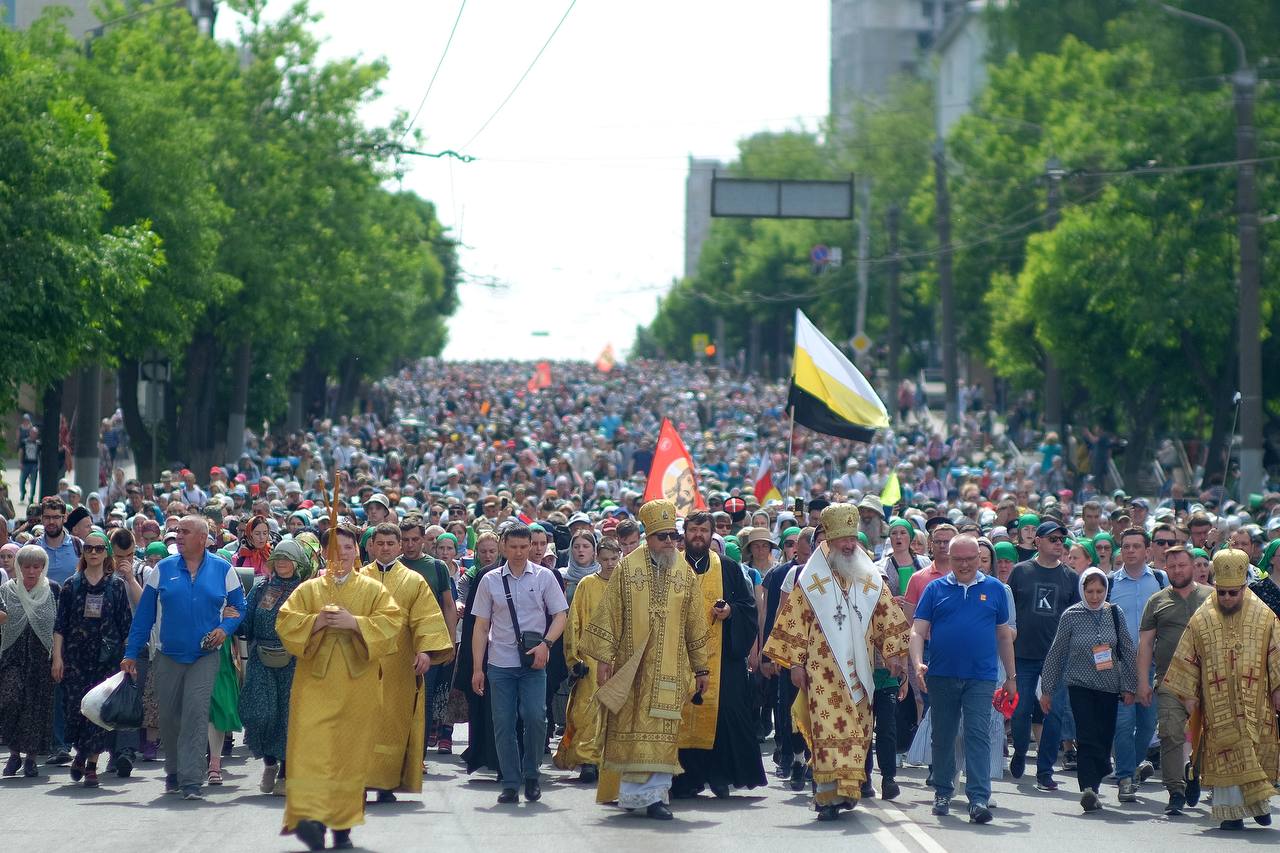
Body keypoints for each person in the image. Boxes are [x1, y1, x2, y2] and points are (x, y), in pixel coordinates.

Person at [764, 503, 911, 821]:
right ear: (827, 540)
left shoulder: (868, 574)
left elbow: (887, 617)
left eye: (852, 539)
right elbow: (795, 624)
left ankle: (846, 791)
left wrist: (896, 655)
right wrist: (797, 664)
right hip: (822, 672)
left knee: (856, 732)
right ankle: (826, 794)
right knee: (826, 731)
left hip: (859, 671)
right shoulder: (809, 578)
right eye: (842, 539)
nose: (848, 545)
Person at [580, 499, 711, 820]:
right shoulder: (627, 568)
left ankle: (656, 797)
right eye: (662, 537)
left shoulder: (685, 573)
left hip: (671, 668)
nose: (669, 543)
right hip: (631, 668)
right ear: (648, 537)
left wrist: (702, 667)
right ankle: (633, 797)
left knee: (664, 733)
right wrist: (605, 661)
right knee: (630, 730)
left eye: (672, 536)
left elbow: (695, 623)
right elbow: (609, 615)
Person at [275, 523, 402, 851]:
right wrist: (315, 621)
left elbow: (391, 624)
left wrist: (355, 623)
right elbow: (286, 622)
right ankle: (311, 819)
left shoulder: (373, 590)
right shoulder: (308, 589)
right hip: (314, 686)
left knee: (348, 755)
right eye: (334, 549)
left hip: (356, 685)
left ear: (357, 551)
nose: (341, 555)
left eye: (347, 548)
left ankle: (342, 828)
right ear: (323, 553)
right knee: (313, 754)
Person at [122, 515, 247, 801]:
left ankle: (192, 780)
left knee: (195, 712)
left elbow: (240, 606)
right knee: (169, 718)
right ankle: (174, 770)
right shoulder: (162, 570)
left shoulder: (223, 569)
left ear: (203, 538)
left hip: (205, 656)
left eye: (185, 532)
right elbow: (144, 617)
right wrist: (131, 653)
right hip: (168, 656)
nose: (178, 536)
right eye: (177, 531)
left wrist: (224, 629)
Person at [1163, 549, 1280, 831]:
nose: (1226, 598)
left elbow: (1276, 654)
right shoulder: (1203, 617)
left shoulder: (1264, 615)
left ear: (1243, 587)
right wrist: (1190, 694)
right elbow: (1187, 657)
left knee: (1254, 750)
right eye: (1222, 592)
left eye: (1233, 593)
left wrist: (1278, 689)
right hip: (1217, 701)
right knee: (1227, 751)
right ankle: (1231, 813)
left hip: (1255, 699)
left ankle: (1259, 803)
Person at [909, 535, 1014, 823]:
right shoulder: (935, 589)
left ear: (980, 559)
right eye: (959, 559)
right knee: (942, 735)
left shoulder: (994, 589)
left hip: (981, 677)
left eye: (971, 559)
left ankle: (978, 799)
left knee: (977, 735)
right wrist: (918, 662)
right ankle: (943, 791)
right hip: (941, 675)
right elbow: (918, 630)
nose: (965, 564)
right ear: (949, 559)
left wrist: (1012, 677)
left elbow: (1004, 634)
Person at [469, 522, 568, 805]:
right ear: (503, 546)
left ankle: (532, 774)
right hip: (500, 663)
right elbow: (480, 626)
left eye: (524, 547)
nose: (519, 552)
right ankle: (511, 783)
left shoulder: (545, 577)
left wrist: (546, 645)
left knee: (536, 718)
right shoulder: (490, 580)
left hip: (534, 662)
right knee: (503, 722)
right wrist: (478, 667)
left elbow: (560, 615)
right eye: (513, 547)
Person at [671, 510, 766, 799]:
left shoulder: (727, 567)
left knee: (725, 713)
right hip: (678, 657)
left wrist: (730, 611)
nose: (698, 535)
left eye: (703, 530)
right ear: (684, 533)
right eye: (693, 530)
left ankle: (720, 775)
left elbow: (748, 607)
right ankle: (685, 780)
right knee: (682, 715)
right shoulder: (670, 566)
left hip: (723, 657)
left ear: (712, 534)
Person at [360, 522, 454, 800]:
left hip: (401, 665)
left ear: (399, 546)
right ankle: (362, 781)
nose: (386, 548)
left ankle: (388, 782)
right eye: (381, 543)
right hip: (363, 664)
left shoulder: (414, 581)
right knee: (363, 723)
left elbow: (426, 618)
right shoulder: (359, 578)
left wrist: (426, 651)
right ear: (372, 546)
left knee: (394, 723)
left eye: (391, 544)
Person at [1039, 567, 1138, 812]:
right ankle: (1089, 789)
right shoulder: (1071, 615)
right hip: (1080, 685)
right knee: (1087, 736)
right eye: (1090, 591)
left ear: (1106, 590)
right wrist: (1047, 690)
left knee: (1104, 738)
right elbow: (1056, 653)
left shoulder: (1115, 613)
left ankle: (1102, 768)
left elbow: (1126, 650)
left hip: (1109, 687)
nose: (1095, 596)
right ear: (1082, 590)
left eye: (1099, 591)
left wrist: (1129, 687)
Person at [52, 530, 134, 788]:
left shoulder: (117, 586)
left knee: (98, 712)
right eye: (89, 548)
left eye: (99, 548)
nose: (94, 553)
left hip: (106, 660)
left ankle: (91, 765)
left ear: (107, 552)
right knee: (76, 711)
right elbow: (60, 626)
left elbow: (125, 626)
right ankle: (81, 753)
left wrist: (128, 659)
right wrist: (57, 658)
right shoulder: (71, 585)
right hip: (75, 659)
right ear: (83, 552)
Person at [1135, 545, 1212, 815]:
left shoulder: (1211, 597)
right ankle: (1175, 791)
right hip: (1168, 680)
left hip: (1207, 680)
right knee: (1169, 733)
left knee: (1209, 736)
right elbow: (1145, 644)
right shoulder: (1156, 601)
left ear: (1194, 566)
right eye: (1172, 566)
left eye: (1182, 565)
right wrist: (1142, 682)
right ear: (1165, 568)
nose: (1177, 570)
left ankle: (1195, 774)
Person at [1007, 520, 1079, 790]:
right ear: (1037, 541)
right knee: (1021, 710)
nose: (1058, 543)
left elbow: (1075, 619)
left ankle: (1045, 770)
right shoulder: (1020, 572)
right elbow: (1009, 614)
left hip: (1055, 660)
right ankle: (1020, 750)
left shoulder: (1071, 577)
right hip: (1023, 656)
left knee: (1054, 715)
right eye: (1053, 538)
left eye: (1062, 539)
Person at [238, 539, 311, 796]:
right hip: (261, 659)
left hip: (294, 662)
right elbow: (245, 621)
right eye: (278, 558)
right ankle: (269, 762)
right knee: (260, 713)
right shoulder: (260, 589)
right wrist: (229, 618)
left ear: (298, 562)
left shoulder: (307, 590)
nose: (282, 563)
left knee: (288, 718)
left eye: (288, 558)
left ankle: (285, 773)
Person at [554, 537, 620, 782]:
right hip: (590, 656)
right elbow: (574, 623)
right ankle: (587, 759)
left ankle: (610, 757)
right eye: (605, 560)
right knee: (586, 708)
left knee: (616, 708)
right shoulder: (586, 584)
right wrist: (573, 658)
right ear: (597, 559)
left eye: (614, 559)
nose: (610, 564)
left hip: (621, 656)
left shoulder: (627, 584)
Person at [1108, 527, 1167, 801]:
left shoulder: (1160, 579)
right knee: (1122, 723)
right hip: (1120, 666)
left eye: (1136, 546)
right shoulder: (1109, 583)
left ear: (1147, 550)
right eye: (1126, 546)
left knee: (1146, 723)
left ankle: (1130, 766)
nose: (1130, 551)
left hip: (1153, 664)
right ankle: (1125, 778)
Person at [0, 545, 58, 777]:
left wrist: (58, 659)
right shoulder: (6, 590)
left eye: (37, 566)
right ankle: (14, 754)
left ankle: (31, 759)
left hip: (41, 658)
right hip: (12, 655)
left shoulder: (52, 590)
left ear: (43, 567)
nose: (31, 571)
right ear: (18, 567)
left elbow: (59, 627)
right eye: (26, 566)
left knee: (36, 707)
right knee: (11, 700)